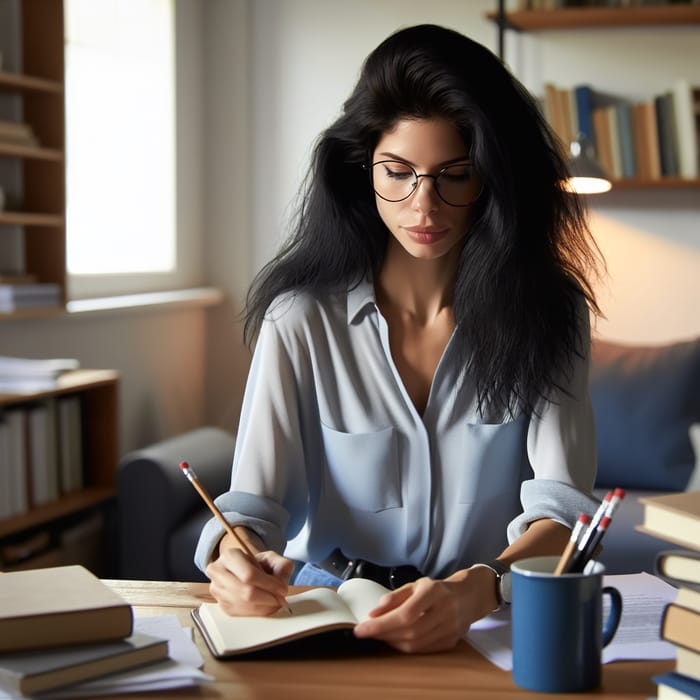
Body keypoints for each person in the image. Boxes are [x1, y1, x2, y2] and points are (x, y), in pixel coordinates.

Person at [195, 23, 604, 654]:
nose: (425, 206)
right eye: (399, 172)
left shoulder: (551, 314)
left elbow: (564, 508)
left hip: (482, 622)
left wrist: (478, 588)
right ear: (363, 169)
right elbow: (251, 507)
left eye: (455, 174)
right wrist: (235, 558)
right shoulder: (299, 320)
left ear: (493, 177)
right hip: (327, 616)